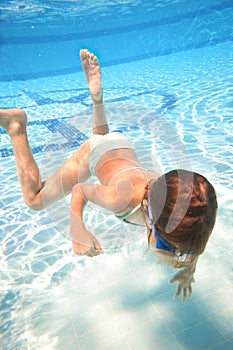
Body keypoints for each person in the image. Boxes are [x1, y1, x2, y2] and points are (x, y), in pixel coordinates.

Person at [0, 49, 217, 301]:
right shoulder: (120, 199)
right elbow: (81, 190)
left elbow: (192, 234)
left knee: (104, 145)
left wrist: (189, 270)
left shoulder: (182, 207)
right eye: (166, 245)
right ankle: (17, 127)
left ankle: (97, 100)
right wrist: (78, 228)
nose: (172, 253)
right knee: (35, 200)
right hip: (97, 154)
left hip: (120, 148)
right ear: (146, 208)